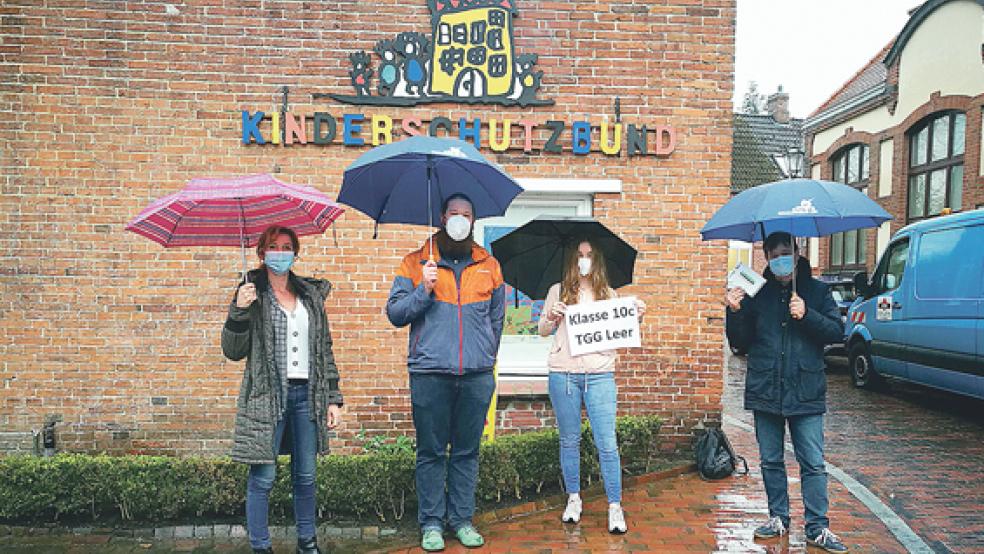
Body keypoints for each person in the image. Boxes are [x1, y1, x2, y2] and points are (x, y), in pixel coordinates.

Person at [386, 193, 505, 552]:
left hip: (476, 374)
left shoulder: (490, 265)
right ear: (441, 217)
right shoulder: (414, 263)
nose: (460, 219)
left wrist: (483, 353)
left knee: (467, 451)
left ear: (473, 221)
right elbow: (396, 313)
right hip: (429, 373)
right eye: (454, 213)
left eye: (466, 214)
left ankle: (462, 520)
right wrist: (424, 288)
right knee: (432, 452)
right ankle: (432, 523)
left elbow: (496, 320)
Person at [222, 225, 343, 554]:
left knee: (305, 475)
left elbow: (325, 349)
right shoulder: (251, 293)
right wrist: (239, 309)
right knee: (263, 477)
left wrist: (333, 398)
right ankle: (261, 547)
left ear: (295, 252)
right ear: (261, 253)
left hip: (308, 396)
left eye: (286, 246)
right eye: (273, 246)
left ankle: (307, 543)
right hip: (267, 397)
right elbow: (232, 351)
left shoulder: (310, 296)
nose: (280, 252)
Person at [725, 232, 848, 554]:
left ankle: (817, 526)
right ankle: (778, 517)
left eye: (785, 252)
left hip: (805, 390)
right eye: (773, 254)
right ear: (766, 257)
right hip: (766, 388)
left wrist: (807, 314)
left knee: (813, 462)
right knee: (770, 461)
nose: (780, 259)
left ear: (797, 252)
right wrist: (735, 310)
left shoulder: (818, 291)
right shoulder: (757, 293)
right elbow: (740, 342)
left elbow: (837, 333)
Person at [538, 239, 646, 534]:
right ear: (571, 260)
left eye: (589, 256)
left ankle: (614, 505)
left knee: (607, 443)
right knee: (569, 440)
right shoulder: (556, 291)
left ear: (597, 260)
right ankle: (574, 498)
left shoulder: (608, 293)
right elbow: (542, 330)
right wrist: (552, 316)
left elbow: (623, 332)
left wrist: (637, 315)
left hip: (600, 375)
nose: (584, 260)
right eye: (579, 255)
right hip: (564, 374)